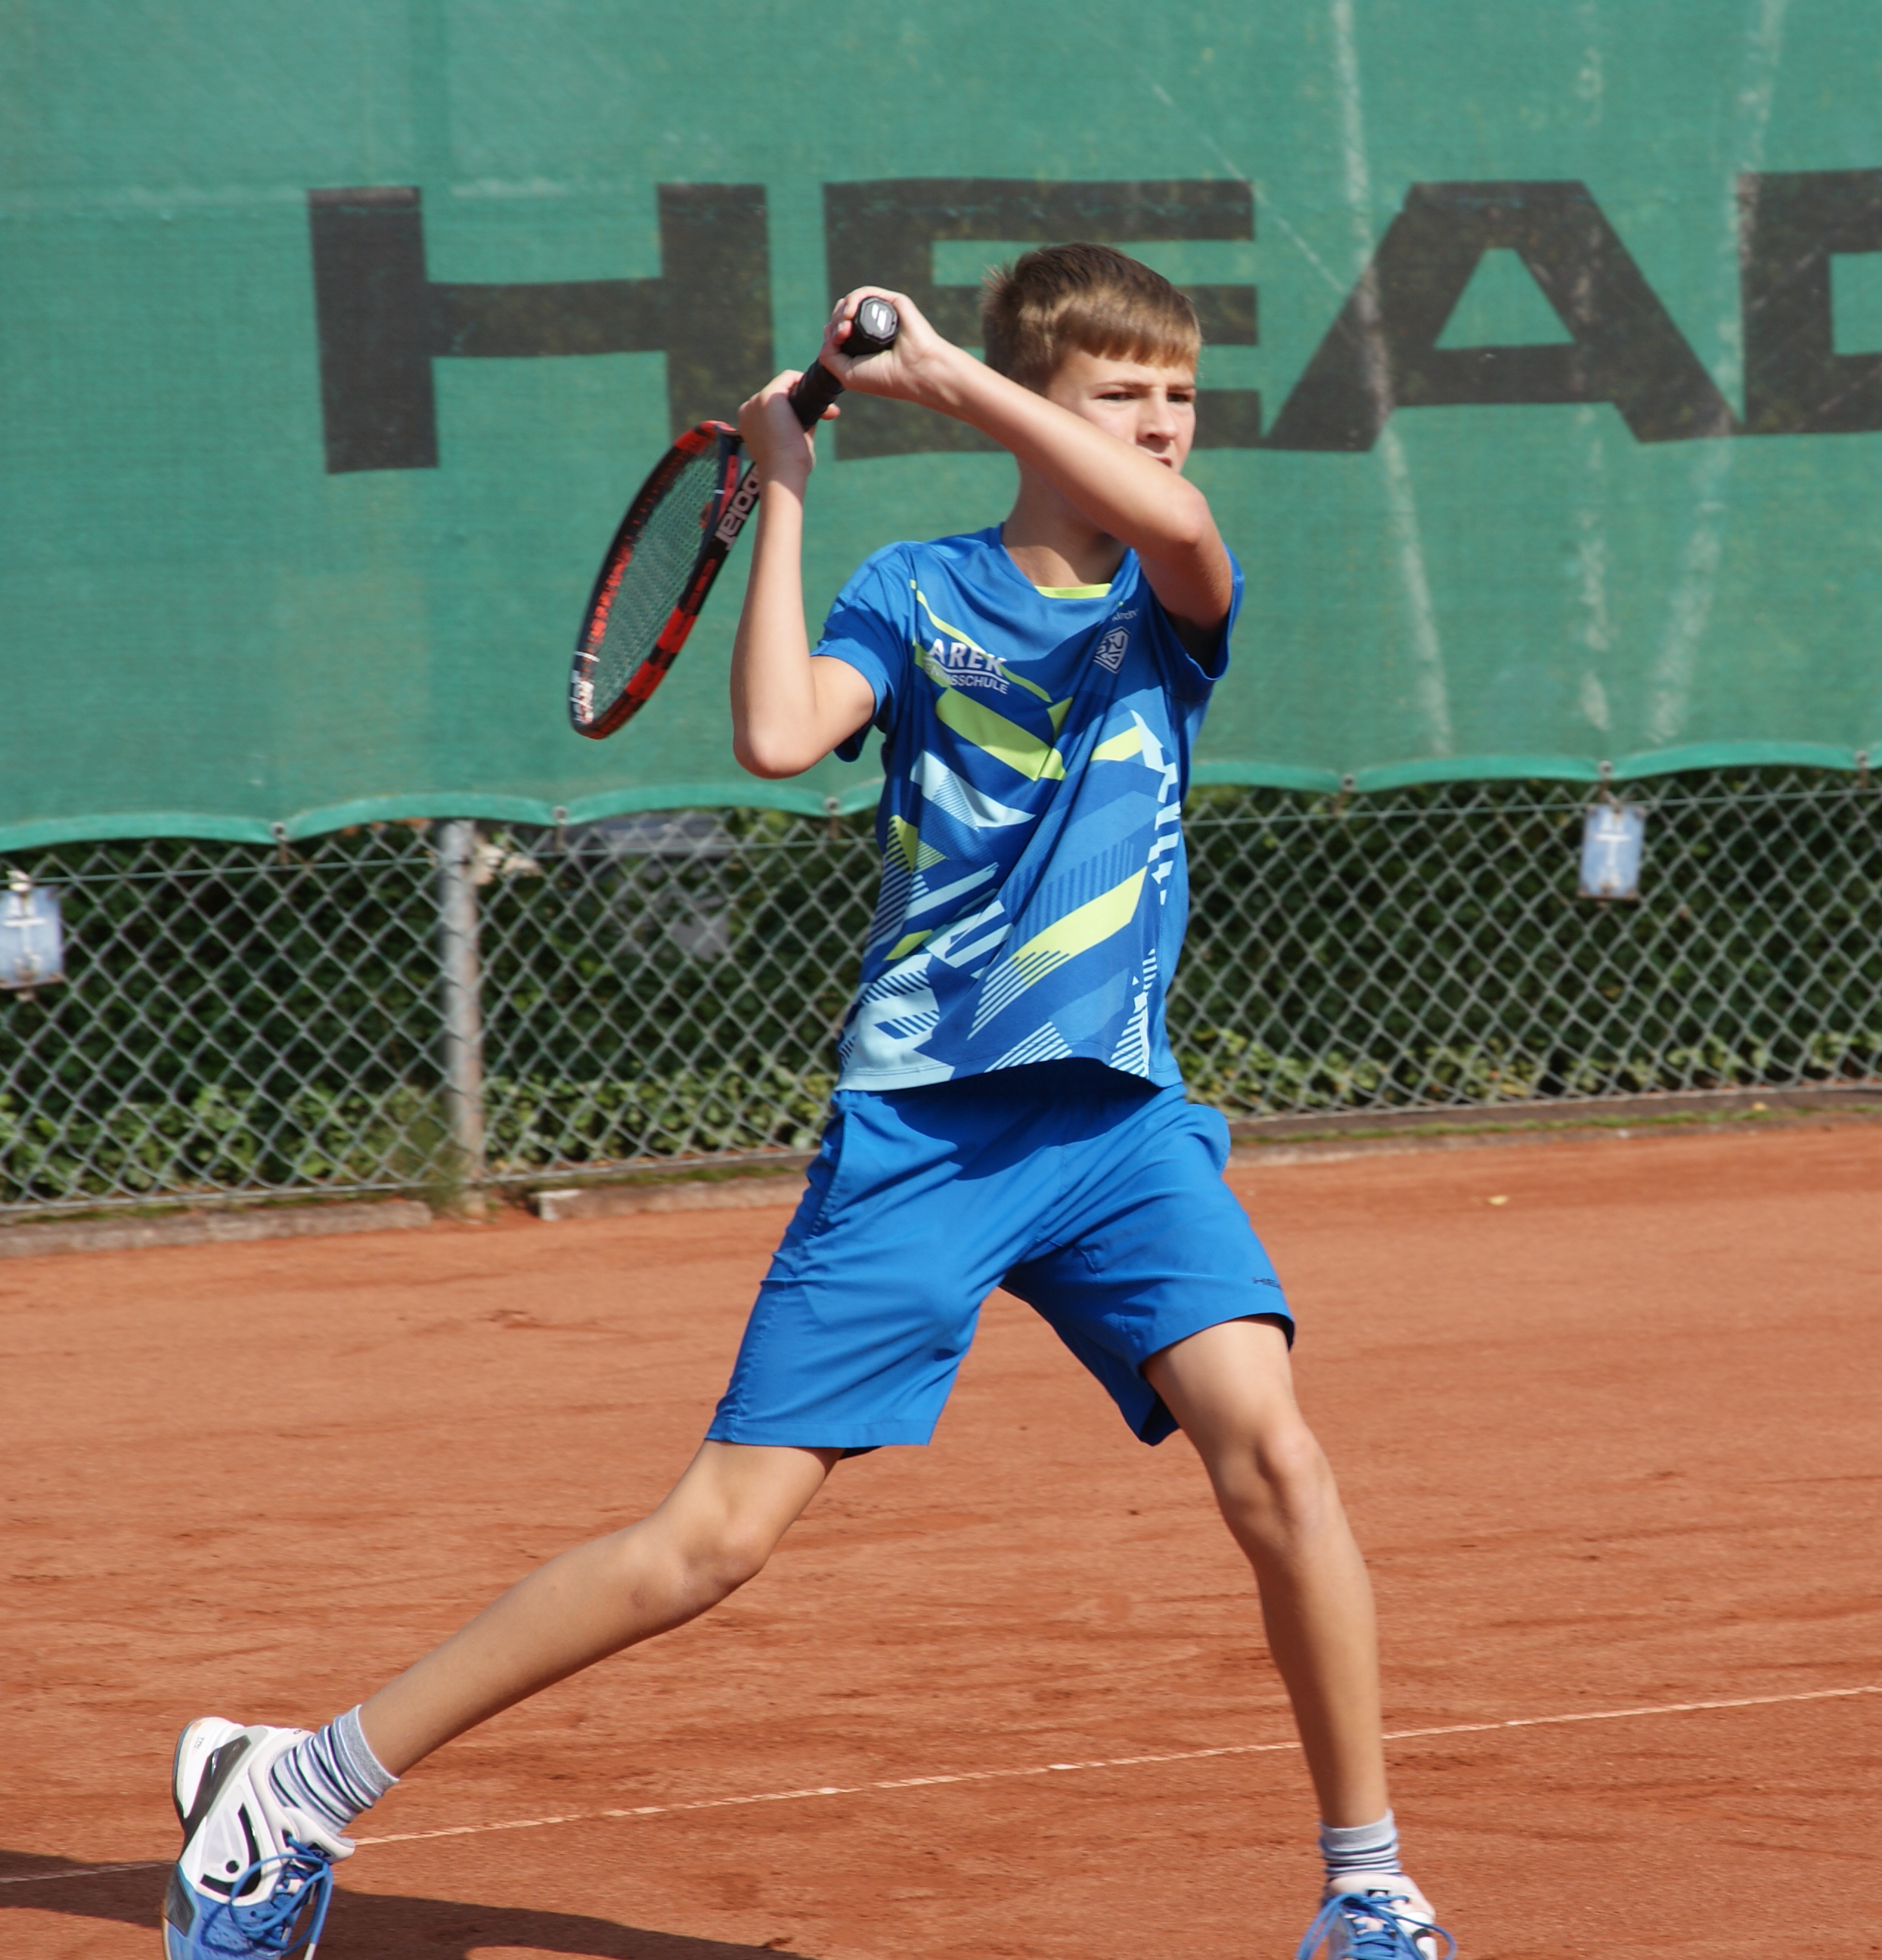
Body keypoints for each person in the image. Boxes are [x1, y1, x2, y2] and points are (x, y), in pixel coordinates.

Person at [163, 247, 1453, 1960]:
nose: (1159, 424)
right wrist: (781, 484)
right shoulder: (914, 593)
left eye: (1179, 395)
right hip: (923, 1133)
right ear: (1041, 404)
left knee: (1277, 1457)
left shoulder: (1169, 595)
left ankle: (1367, 1887)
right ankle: (297, 1783)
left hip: (1118, 1127)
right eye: (1119, 395)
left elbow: (1185, 524)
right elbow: (778, 735)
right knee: (712, 1542)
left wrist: (938, 375)